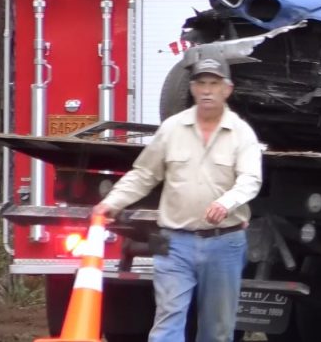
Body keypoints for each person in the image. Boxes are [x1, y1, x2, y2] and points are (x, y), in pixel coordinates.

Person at [94, 55, 263, 342]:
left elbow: (251, 179)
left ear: (227, 89)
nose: (207, 90)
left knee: (217, 330)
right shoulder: (172, 128)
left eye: (214, 84)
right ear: (192, 88)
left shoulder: (241, 134)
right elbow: (145, 174)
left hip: (225, 243)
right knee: (167, 323)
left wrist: (226, 203)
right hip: (175, 242)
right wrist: (112, 201)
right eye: (201, 83)